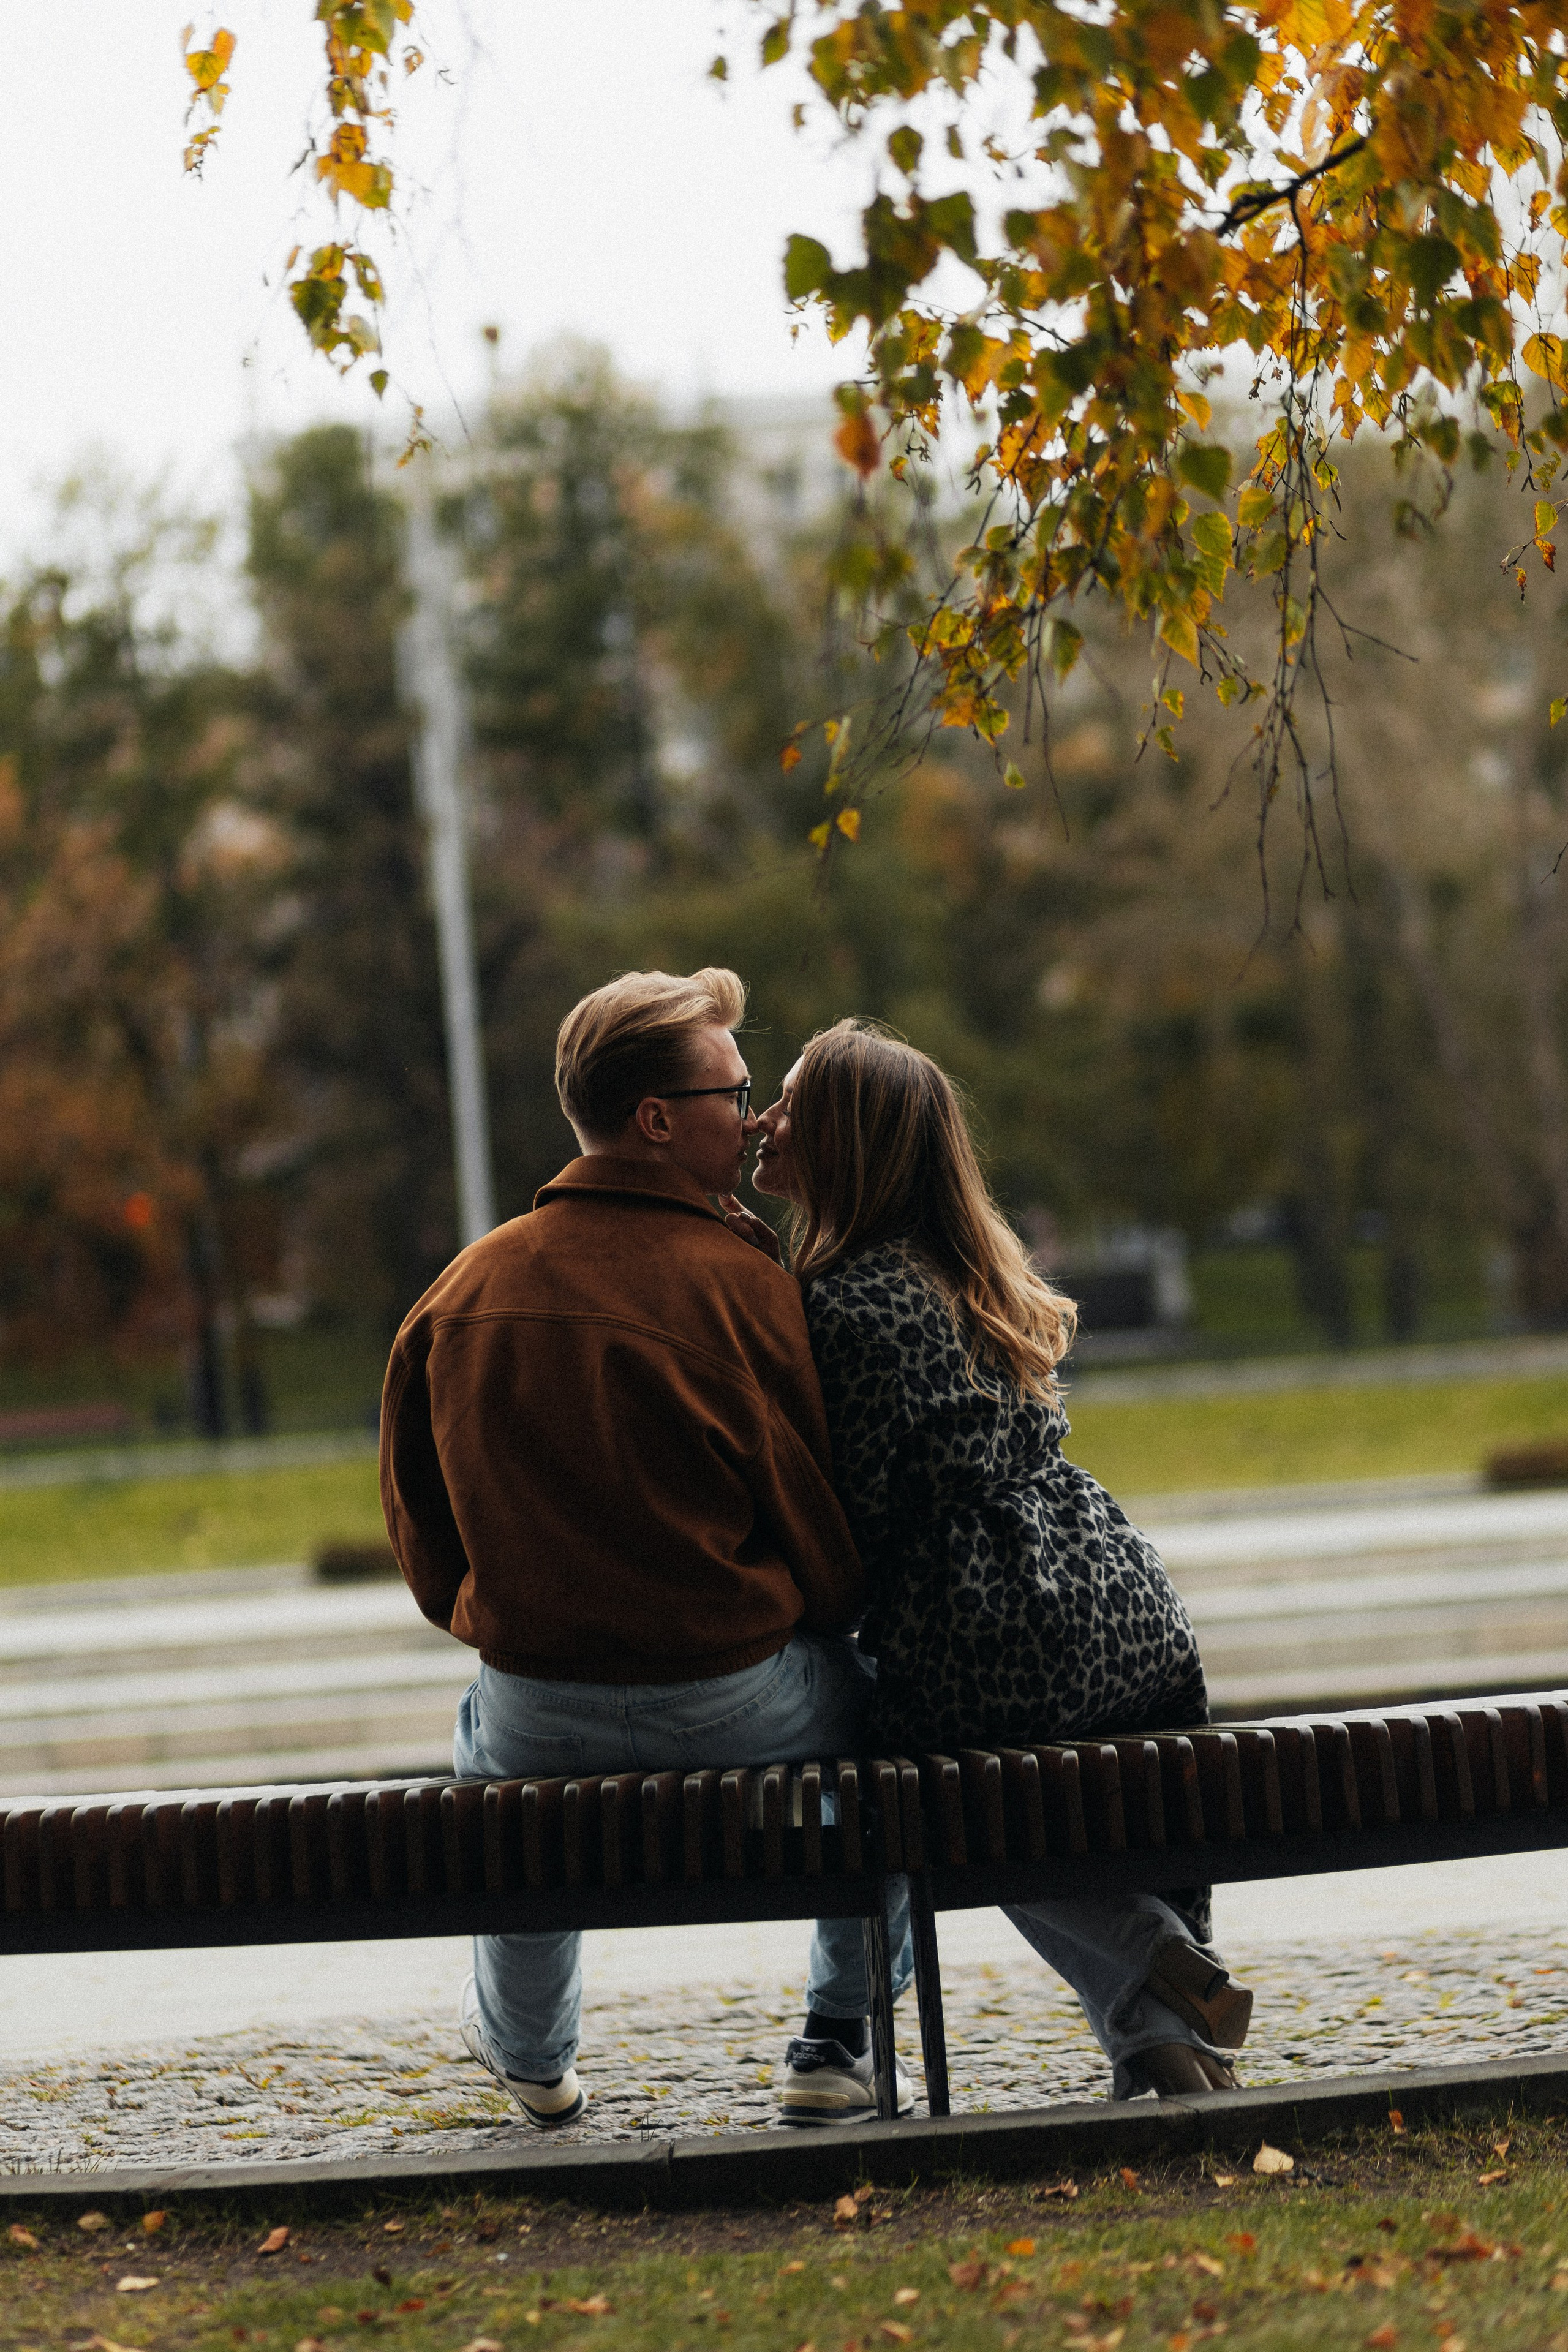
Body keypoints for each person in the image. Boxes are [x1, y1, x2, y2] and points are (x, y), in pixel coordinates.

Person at [380, 968, 870, 2129]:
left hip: (542, 1701)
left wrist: (509, 1621)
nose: (752, 1116)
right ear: (658, 1120)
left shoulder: (462, 1291)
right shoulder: (748, 1288)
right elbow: (820, 1530)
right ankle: (838, 2040)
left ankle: (532, 2056)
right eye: (734, 1089)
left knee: (494, 1756)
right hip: (737, 1692)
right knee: (896, 1723)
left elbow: (422, 1530)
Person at [732, 1017, 1253, 2105]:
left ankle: (1140, 1955)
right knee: (1044, 1795)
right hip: (1115, 1588)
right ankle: (1159, 2041)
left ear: (847, 1143)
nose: (765, 1121)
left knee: (941, 1813)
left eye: (790, 1104)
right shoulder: (965, 1272)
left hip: (988, 1610)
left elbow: (849, 1518)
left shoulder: (832, 1306)